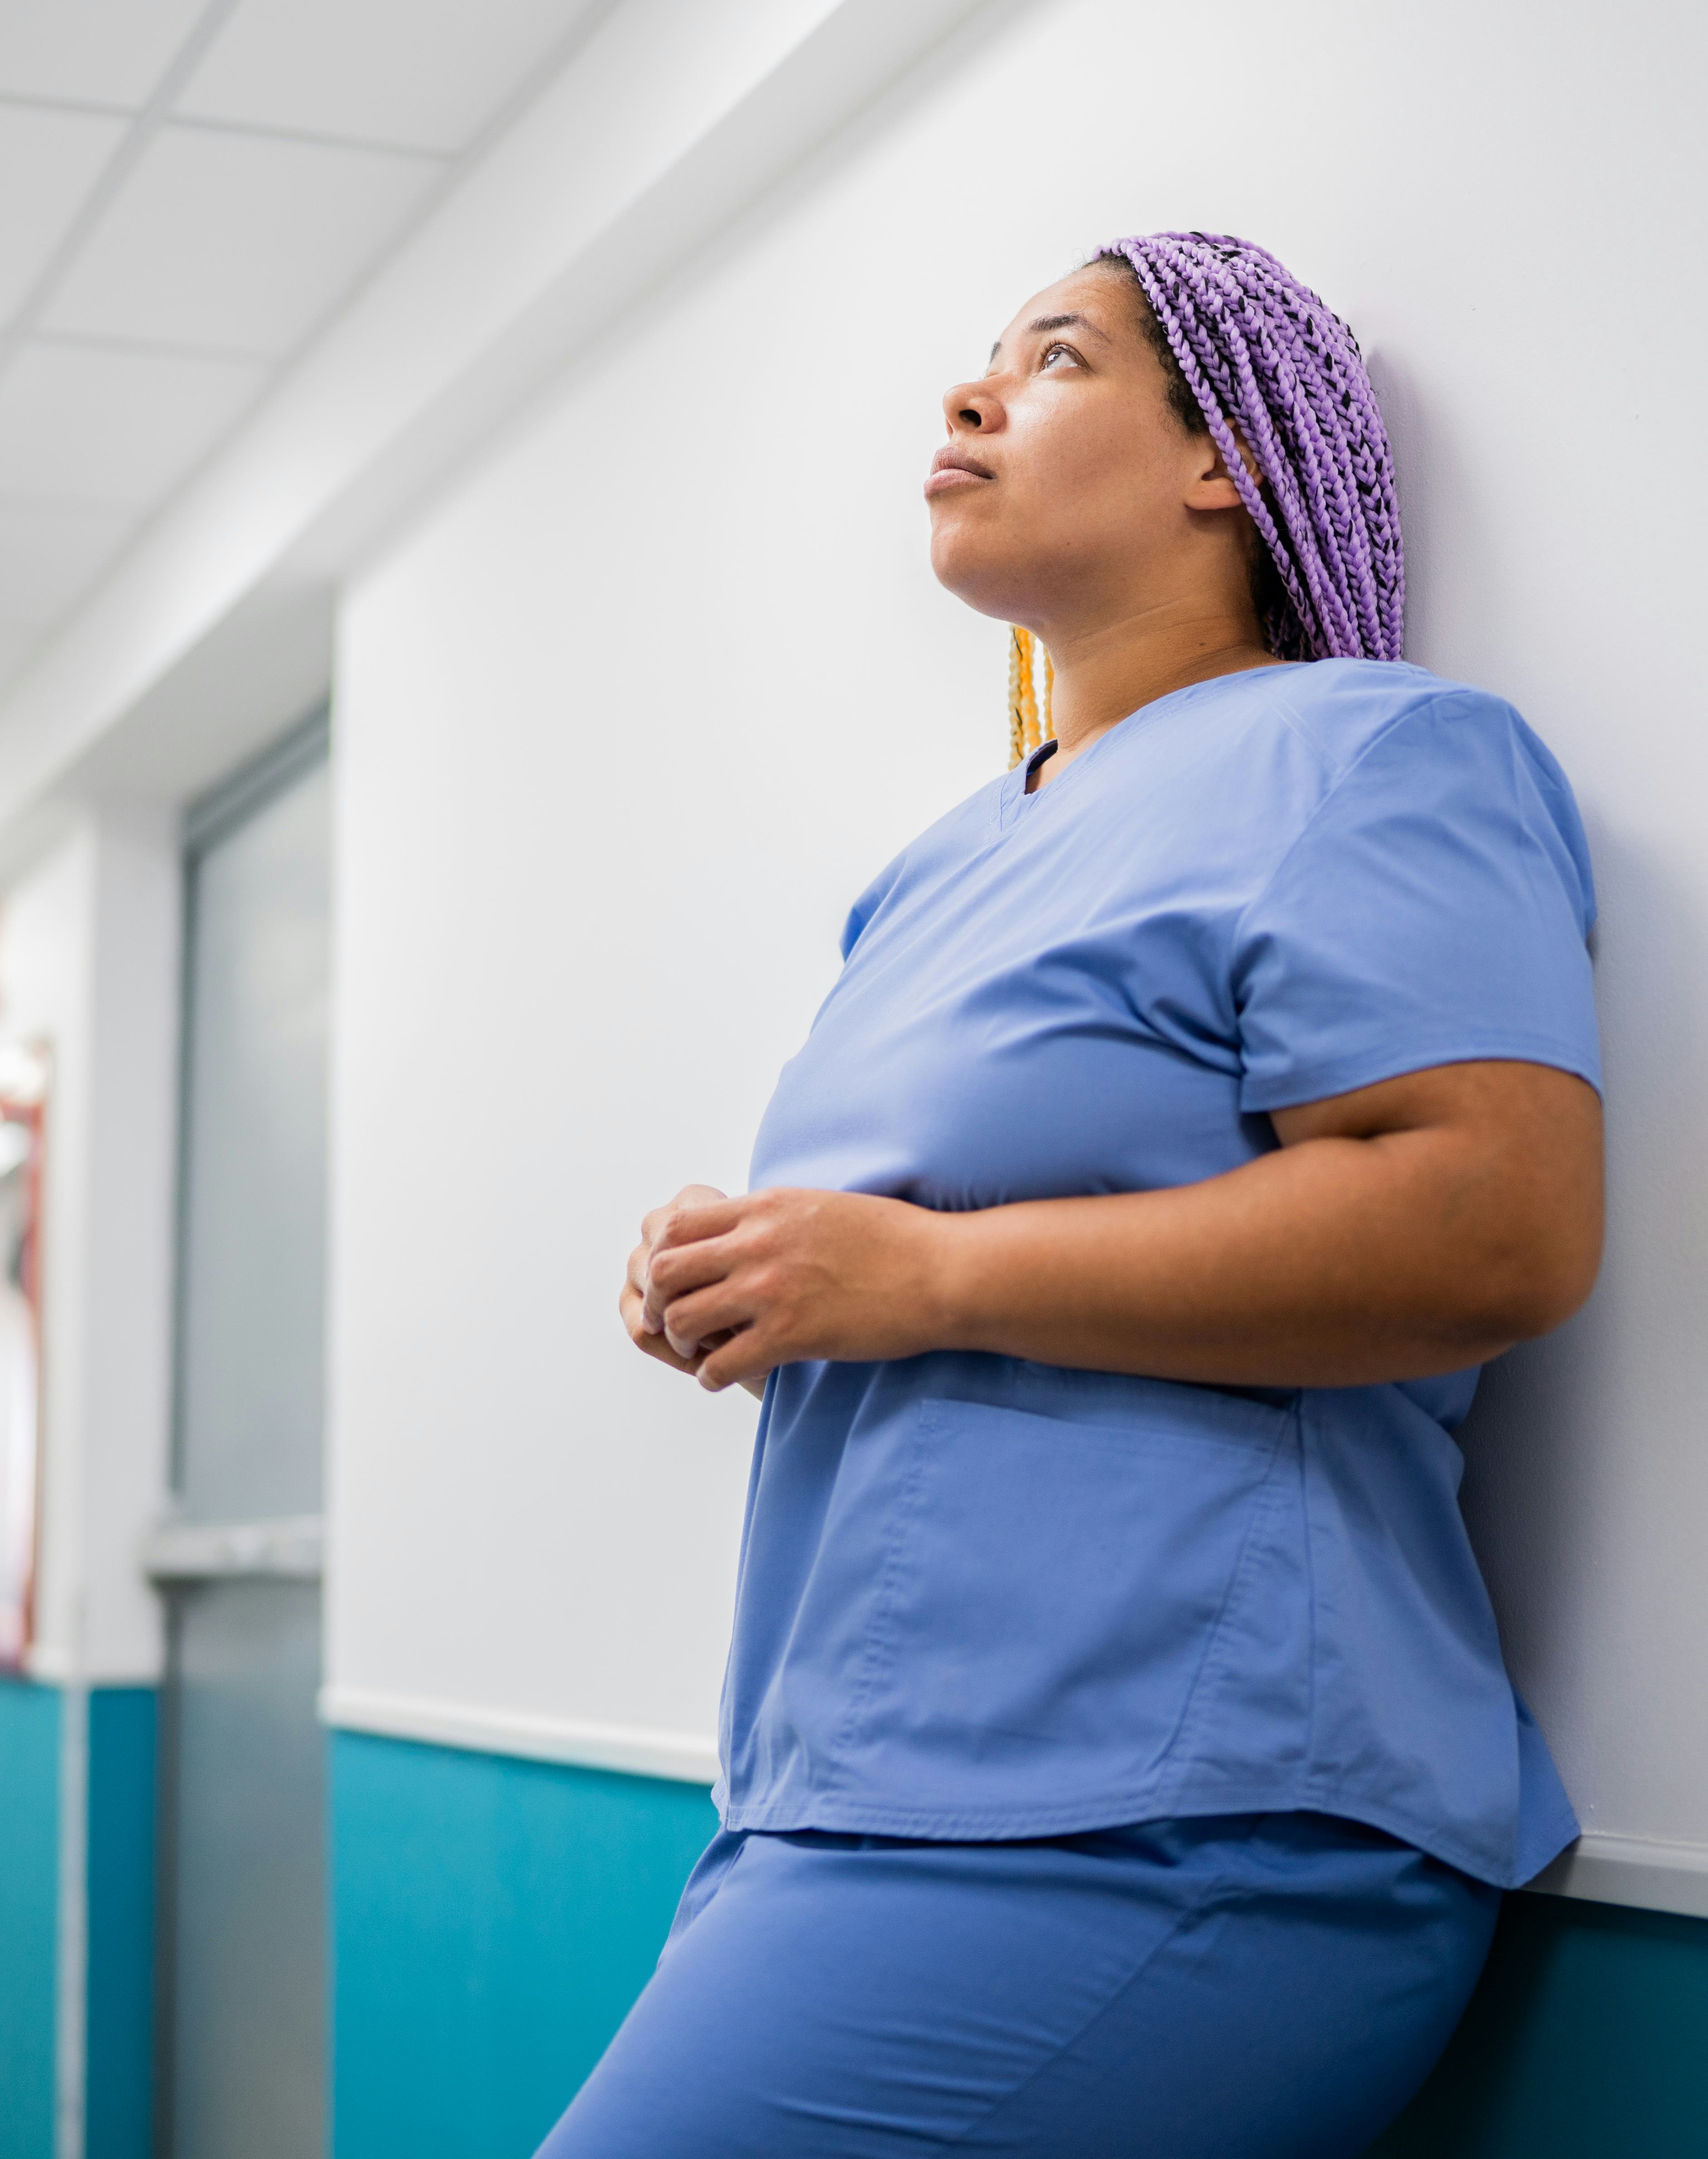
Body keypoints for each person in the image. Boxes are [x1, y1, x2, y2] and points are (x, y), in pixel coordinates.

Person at [554, 232, 1605, 2157]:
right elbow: (893, 1250)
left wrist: (920, 1279)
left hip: (1174, 1816)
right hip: (839, 1788)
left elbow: (1491, 1226)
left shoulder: (1370, 747)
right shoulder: (940, 866)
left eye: (1050, 361)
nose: (964, 401)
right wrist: (756, 1275)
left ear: (1228, 461)